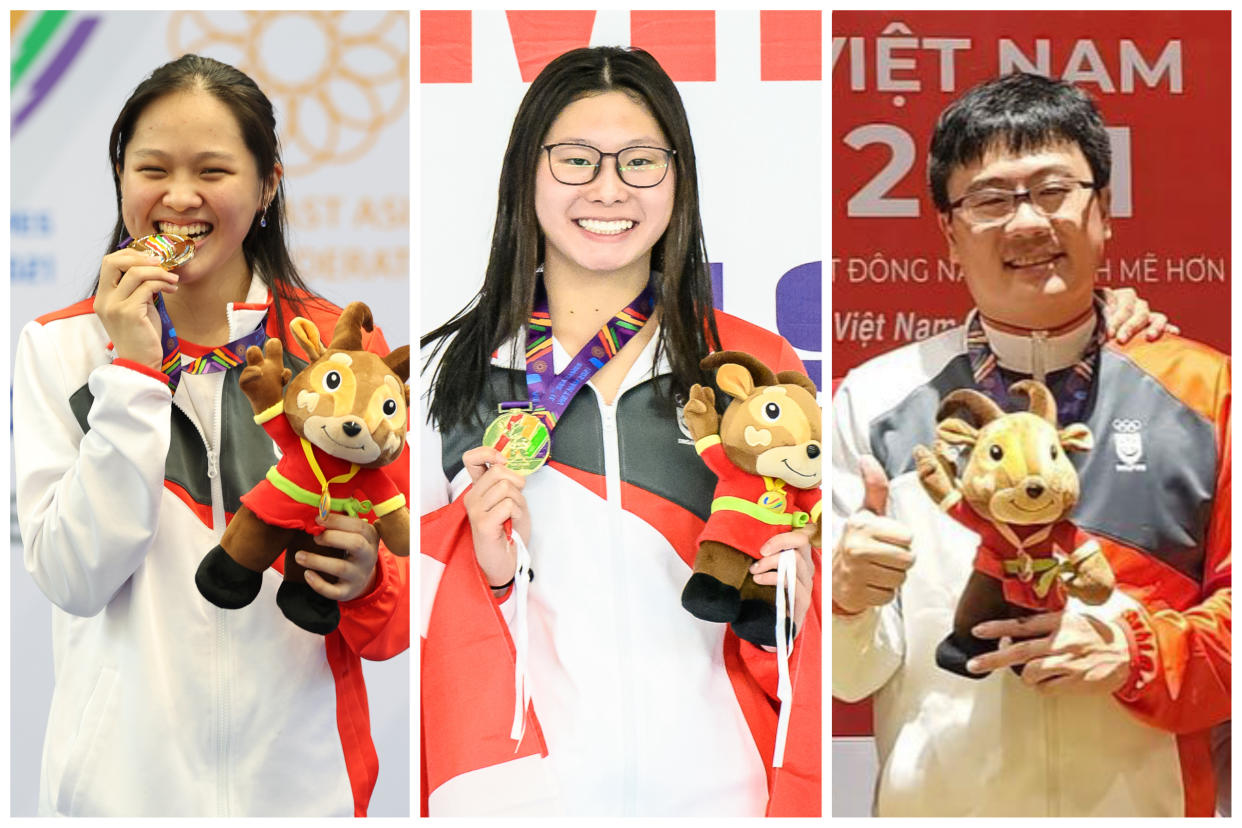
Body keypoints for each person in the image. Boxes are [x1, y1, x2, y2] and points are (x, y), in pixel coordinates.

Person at [420, 46, 820, 817]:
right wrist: (490, 572)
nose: (608, 188)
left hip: (719, 794)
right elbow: (403, 611)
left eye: (639, 161)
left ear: (678, 178)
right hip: (515, 797)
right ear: (526, 173)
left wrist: (792, 598)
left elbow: (811, 619)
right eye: (576, 160)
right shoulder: (446, 371)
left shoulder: (749, 368)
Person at [12, 55, 408, 817]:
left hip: (301, 793)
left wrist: (368, 581)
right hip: (121, 796)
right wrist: (131, 373)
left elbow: (392, 623)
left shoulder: (334, 353)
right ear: (121, 179)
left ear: (267, 186)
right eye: (152, 168)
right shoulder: (59, 349)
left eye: (214, 171)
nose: (180, 197)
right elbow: (73, 576)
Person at [831, 72, 1230, 816]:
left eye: (1054, 191)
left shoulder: (1208, 394)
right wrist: (846, 604)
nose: (1027, 223)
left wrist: (1136, 653)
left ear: (1103, 209)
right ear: (949, 232)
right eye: (990, 199)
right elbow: (848, 679)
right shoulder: (875, 401)